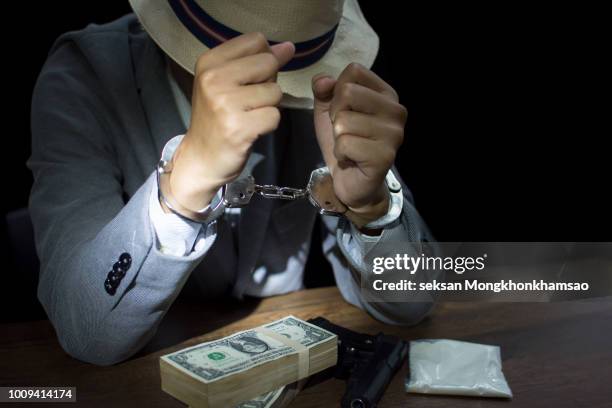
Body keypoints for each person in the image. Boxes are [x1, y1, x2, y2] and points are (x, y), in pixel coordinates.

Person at [28, 0, 436, 366]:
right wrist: (180, 191)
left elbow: (412, 304)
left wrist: (371, 210)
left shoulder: (325, 84)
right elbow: (86, 332)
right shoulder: (86, 75)